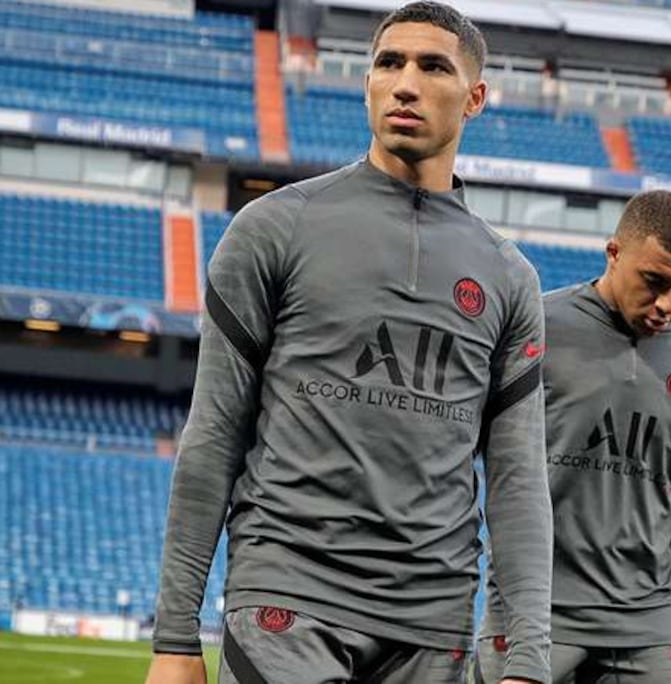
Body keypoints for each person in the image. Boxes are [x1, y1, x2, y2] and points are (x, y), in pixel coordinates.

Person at [145, 3, 552, 683]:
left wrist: (527, 656)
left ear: (474, 98)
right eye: (388, 63)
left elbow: (517, 481)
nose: (404, 82)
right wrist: (174, 636)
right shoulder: (274, 227)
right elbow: (213, 434)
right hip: (288, 602)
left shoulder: (510, 278)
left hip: (434, 624)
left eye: (432, 66)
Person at [478, 190, 671, 683]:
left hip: (643, 633)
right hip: (535, 623)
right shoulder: (538, 328)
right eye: (654, 282)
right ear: (613, 253)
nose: (668, 304)